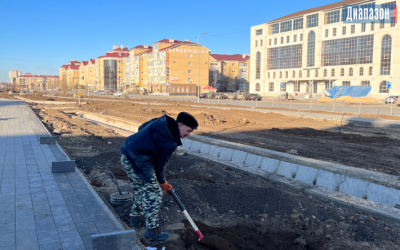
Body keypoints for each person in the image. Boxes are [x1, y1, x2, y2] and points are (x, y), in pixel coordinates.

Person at [120, 112, 198, 242]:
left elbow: (142, 127)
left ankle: (135, 217)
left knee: (141, 187)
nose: (188, 134)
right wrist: (163, 182)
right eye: (188, 130)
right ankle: (152, 231)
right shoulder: (170, 142)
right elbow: (159, 166)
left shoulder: (161, 122)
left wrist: (147, 144)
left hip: (127, 154)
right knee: (153, 193)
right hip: (139, 161)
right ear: (180, 125)